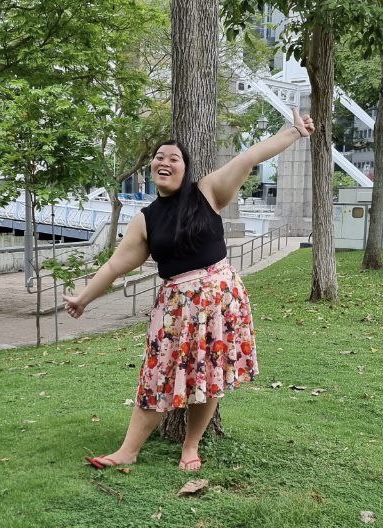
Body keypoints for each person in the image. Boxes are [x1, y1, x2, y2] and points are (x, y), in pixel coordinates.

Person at [63, 108, 315, 471]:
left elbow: (250, 156)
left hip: (219, 302)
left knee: (208, 376)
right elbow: (115, 265)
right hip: (175, 308)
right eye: (159, 158)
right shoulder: (145, 219)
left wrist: (294, 131)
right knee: (155, 374)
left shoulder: (208, 192)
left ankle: (190, 447)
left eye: (174, 158)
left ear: (186, 168)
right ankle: (127, 451)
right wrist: (83, 299)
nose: (164, 162)